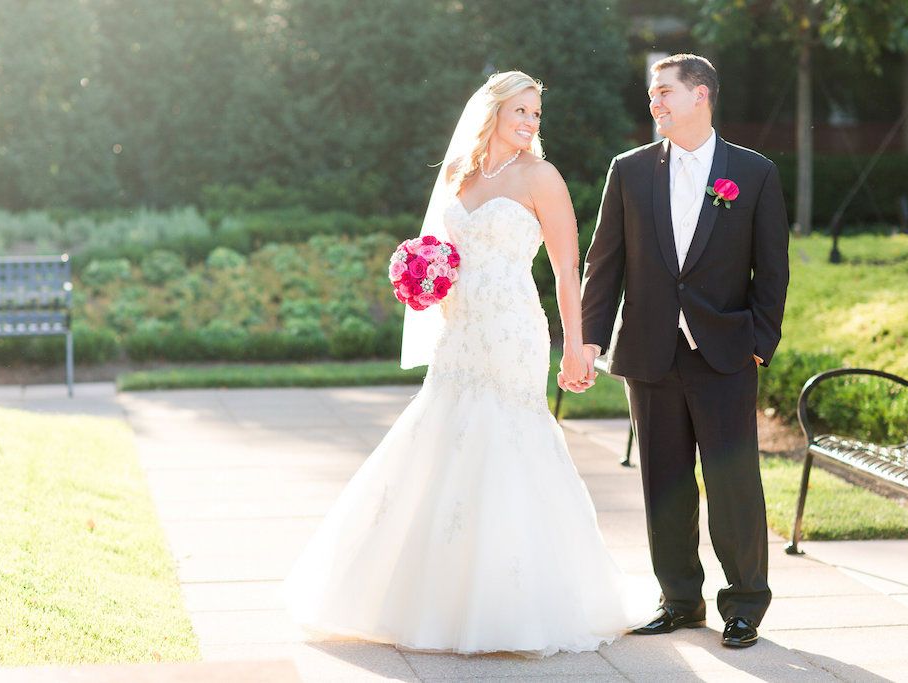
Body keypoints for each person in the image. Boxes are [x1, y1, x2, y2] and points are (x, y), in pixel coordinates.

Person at [281, 71, 658, 657]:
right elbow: (442, 251)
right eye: (520, 110)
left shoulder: (543, 177)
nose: (530, 122)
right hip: (460, 331)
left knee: (508, 438)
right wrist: (422, 276)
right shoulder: (459, 175)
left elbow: (565, 270)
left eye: (536, 113)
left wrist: (577, 344)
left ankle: (516, 603)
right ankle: (423, 599)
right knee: (442, 434)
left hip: (512, 329)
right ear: (493, 111)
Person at [578, 53, 790, 648]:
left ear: (701, 95)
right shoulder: (630, 170)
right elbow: (605, 264)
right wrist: (591, 340)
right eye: (652, 95)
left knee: (734, 485)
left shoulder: (755, 173)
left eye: (665, 92)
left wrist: (759, 343)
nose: (655, 104)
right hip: (650, 353)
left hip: (724, 354)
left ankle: (745, 603)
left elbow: (772, 270)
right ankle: (679, 600)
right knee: (663, 484)